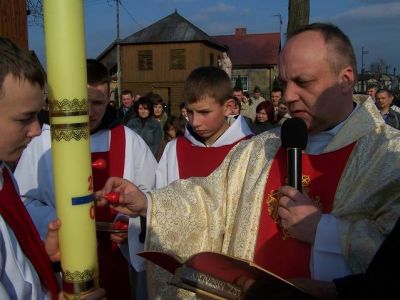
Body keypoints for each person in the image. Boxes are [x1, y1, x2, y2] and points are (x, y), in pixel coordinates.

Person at [96, 23, 400, 299]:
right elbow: (209, 201)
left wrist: (324, 230)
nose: (288, 96)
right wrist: (148, 203)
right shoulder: (262, 149)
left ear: (345, 80)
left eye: (303, 81)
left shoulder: (389, 157)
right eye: (284, 82)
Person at [14, 59, 157, 299]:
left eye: (98, 103)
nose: (90, 112)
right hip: (63, 259)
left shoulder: (128, 140)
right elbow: (23, 201)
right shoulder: (42, 142)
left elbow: (153, 197)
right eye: (83, 102)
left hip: (117, 258)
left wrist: (128, 225)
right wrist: (60, 222)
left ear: (109, 98)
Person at [0, 37, 106, 300]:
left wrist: (39, 259)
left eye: (38, 115)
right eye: (25, 118)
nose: (37, 130)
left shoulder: (5, 175)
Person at [155, 66, 254, 189]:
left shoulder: (251, 150)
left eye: (204, 112)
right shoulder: (173, 150)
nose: (195, 122)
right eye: (190, 112)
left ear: (228, 107)